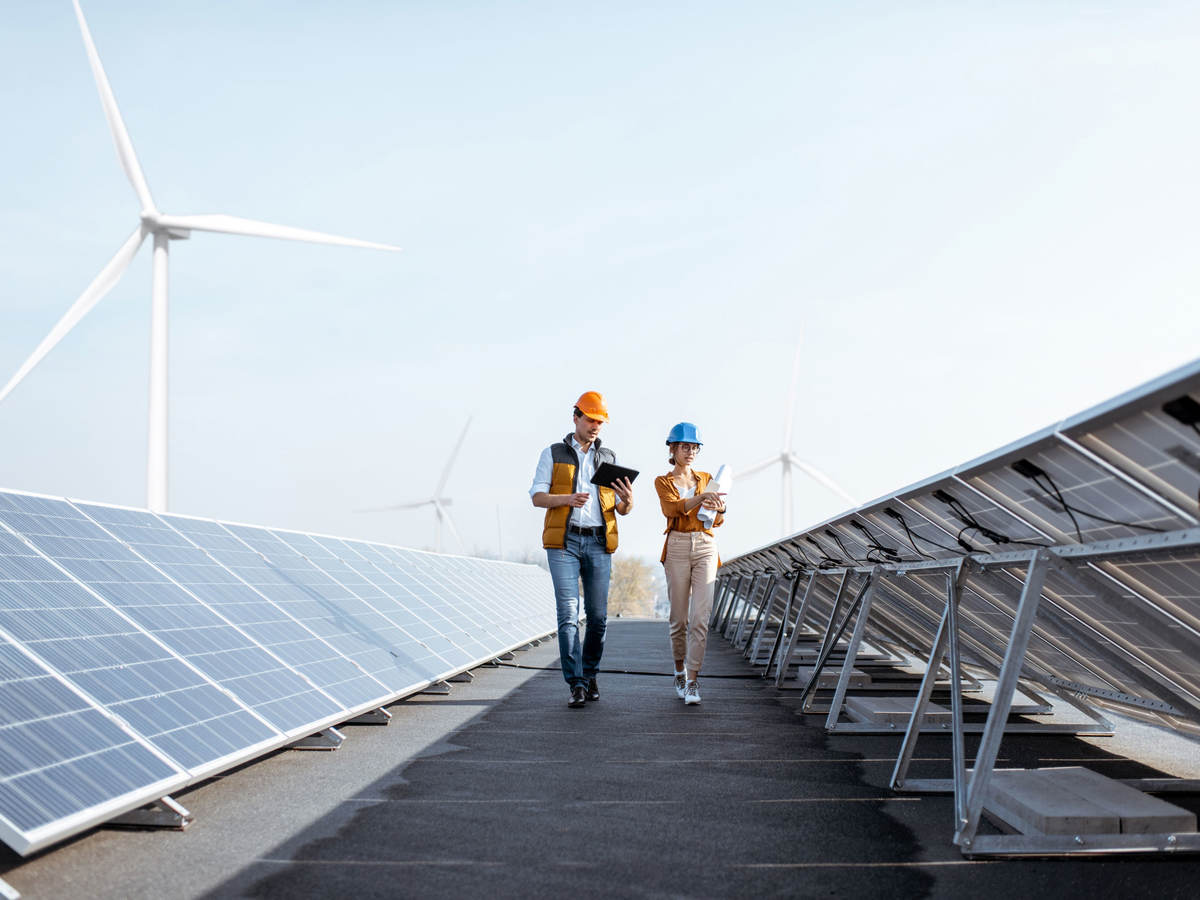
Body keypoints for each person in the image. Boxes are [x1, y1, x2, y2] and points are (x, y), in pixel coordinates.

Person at [530, 391, 634, 708]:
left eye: (600, 421)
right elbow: (537, 496)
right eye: (590, 419)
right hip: (564, 541)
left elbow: (620, 507)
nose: (595, 426)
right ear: (575, 417)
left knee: (599, 617)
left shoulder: (609, 458)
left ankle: (589, 675)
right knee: (568, 615)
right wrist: (567, 499)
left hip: (599, 541)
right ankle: (575, 682)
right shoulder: (553, 453)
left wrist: (628, 501)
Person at [654, 423, 725, 705]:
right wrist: (701, 498)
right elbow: (671, 509)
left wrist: (718, 509)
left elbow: (716, 520)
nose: (690, 452)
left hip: (705, 544)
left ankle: (693, 681)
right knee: (679, 619)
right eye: (685, 447)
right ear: (672, 449)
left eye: (694, 447)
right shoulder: (663, 481)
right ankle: (679, 670)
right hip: (678, 546)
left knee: (700, 619)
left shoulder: (707, 478)